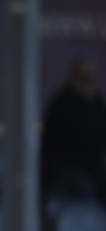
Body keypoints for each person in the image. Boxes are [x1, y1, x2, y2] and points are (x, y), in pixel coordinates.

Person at [41, 57, 106, 203]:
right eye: (83, 75)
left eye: (89, 75)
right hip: (68, 169)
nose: (87, 80)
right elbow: (54, 142)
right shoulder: (61, 103)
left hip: (94, 166)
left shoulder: (96, 102)